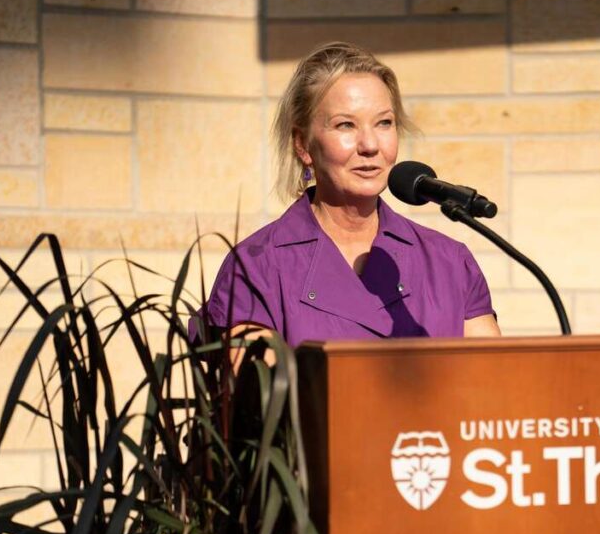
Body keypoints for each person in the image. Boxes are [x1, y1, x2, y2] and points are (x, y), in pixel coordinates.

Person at [203, 42, 501, 347]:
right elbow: (263, 391)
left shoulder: (449, 262)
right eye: (346, 125)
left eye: (384, 123)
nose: (370, 144)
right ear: (302, 144)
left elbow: (494, 384)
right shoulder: (257, 267)